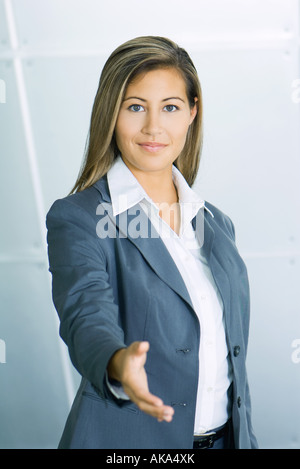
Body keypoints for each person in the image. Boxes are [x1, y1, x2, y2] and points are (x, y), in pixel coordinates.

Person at [46, 36, 258, 449]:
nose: (153, 127)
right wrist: (116, 361)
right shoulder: (79, 218)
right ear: (111, 113)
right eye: (136, 107)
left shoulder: (216, 223)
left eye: (171, 108)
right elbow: (84, 311)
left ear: (192, 113)